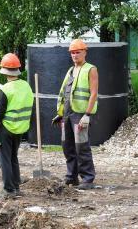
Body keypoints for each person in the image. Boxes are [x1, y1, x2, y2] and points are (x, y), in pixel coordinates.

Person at [53, 39, 99, 190]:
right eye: (72, 53)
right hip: (67, 114)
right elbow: (64, 92)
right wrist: (60, 114)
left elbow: (93, 94)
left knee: (82, 147)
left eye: (77, 52)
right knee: (68, 146)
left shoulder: (91, 69)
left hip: (80, 114)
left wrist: (87, 114)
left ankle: (87, 179)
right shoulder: (71, 70)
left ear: (85, 52)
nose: (74, 55)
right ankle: (71, 177)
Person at [0, 53, 33, 198]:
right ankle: (16, 186)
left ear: (4, 70)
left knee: (4, 158)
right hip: (20, 128)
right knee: (13, 157)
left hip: (6, 128)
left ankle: (8, 189)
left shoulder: (5, 90)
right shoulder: (26, 86)